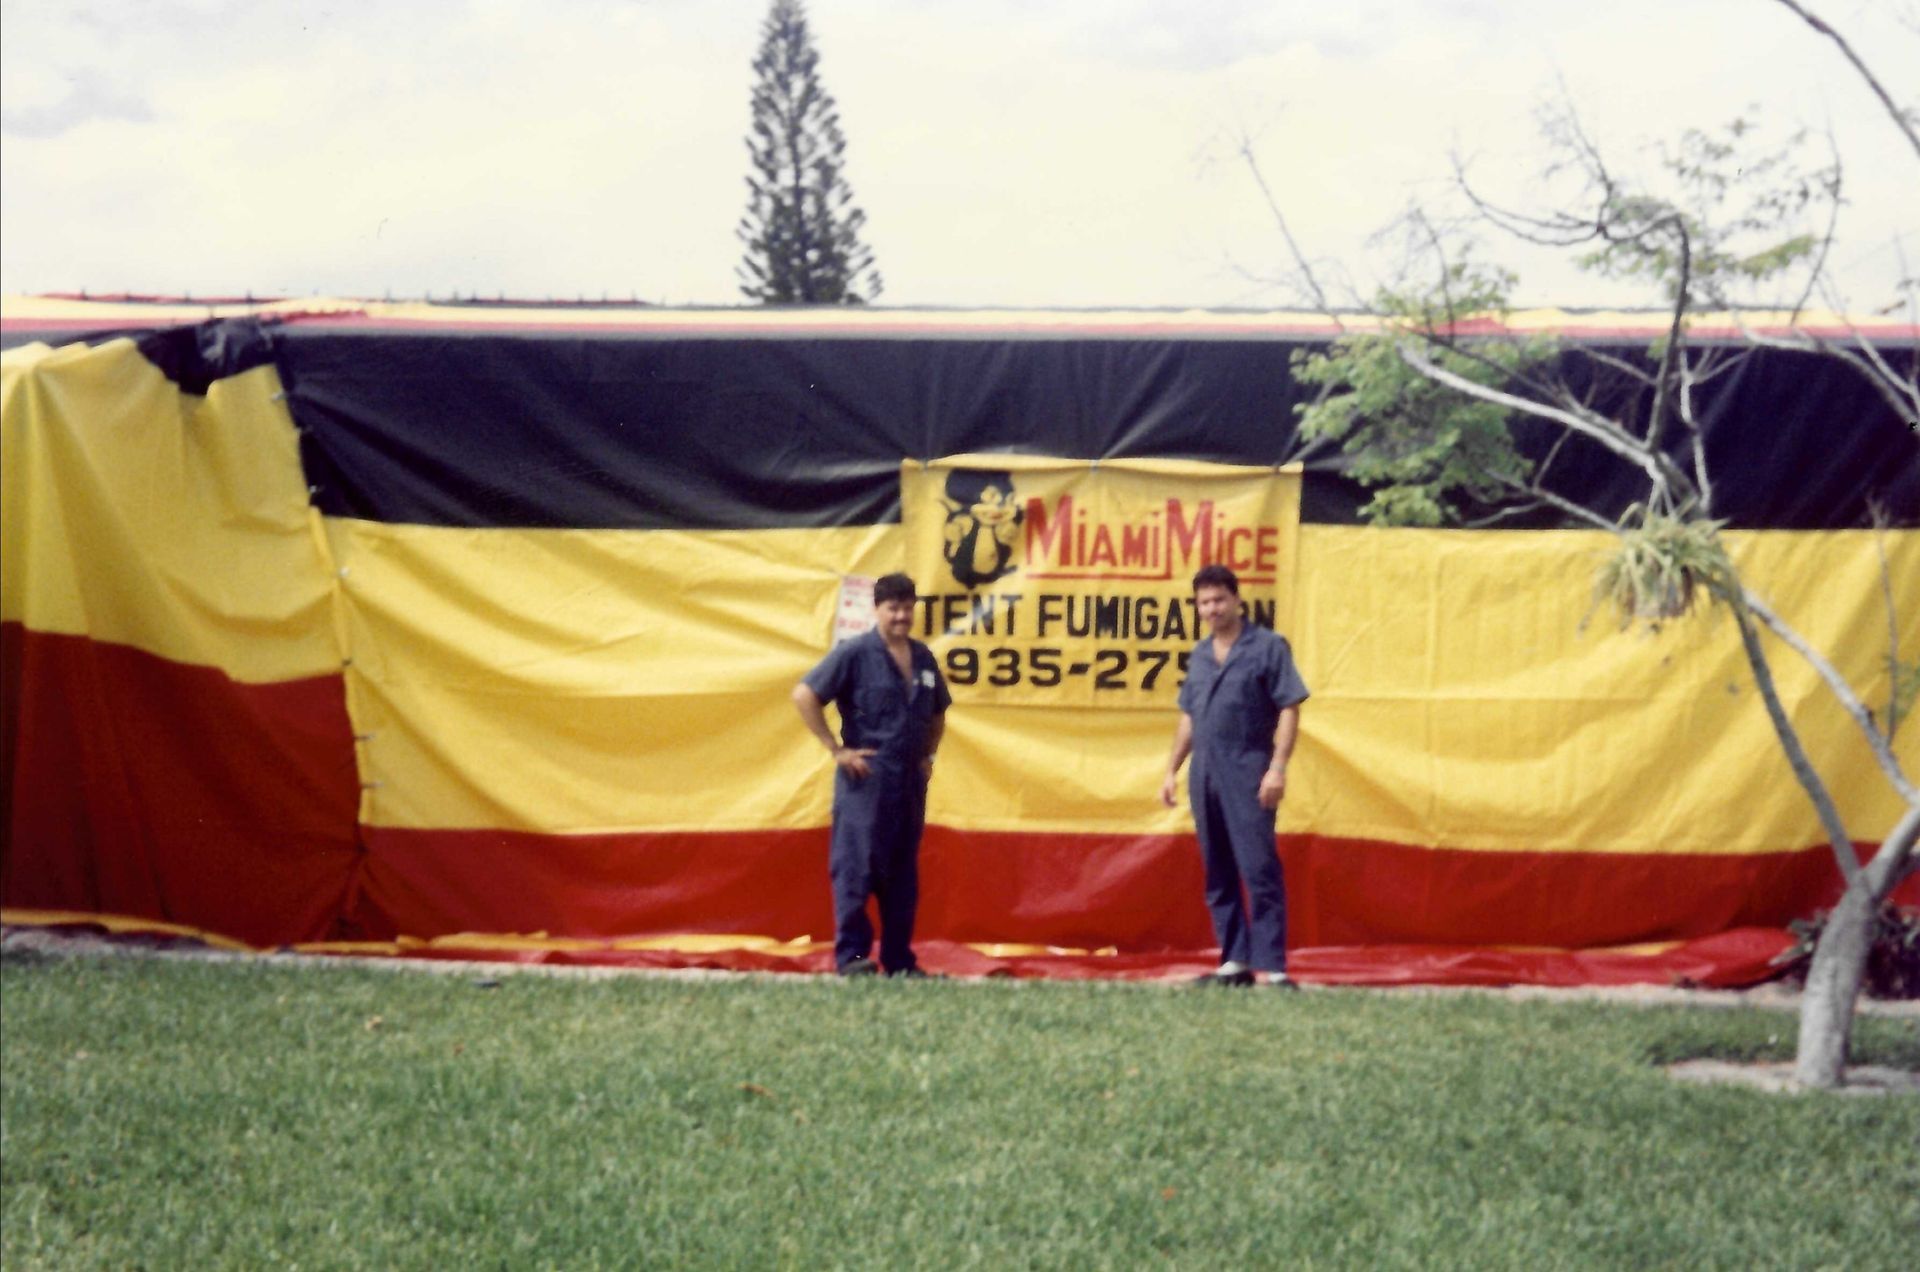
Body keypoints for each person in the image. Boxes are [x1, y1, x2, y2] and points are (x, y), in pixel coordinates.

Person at [793, 573, 951, 977]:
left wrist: (928, 756)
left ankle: (899, 961)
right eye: (893, 608)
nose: (901, 616)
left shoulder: (923, 658)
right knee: (856, 868)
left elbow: (937, 712)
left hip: (908, 782)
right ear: (877, 609)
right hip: (867, 779)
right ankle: (854, 959)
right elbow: (805, 694)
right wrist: (836, 749)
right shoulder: (855, 653)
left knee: (901, 874)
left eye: (907, 608)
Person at [1160, 564, 1310, 989]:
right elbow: (1189, 716)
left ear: (1237, 600)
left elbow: (1290, 707)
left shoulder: (1268, 647)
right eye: (1204, 602)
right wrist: (1171, 770)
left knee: (1259, 866)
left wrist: (1277, 768)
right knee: (1218, 868)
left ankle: (1275, 968)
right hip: (1204, 772)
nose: (1212, 609)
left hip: (1249, 769)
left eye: (1219, 599)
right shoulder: (1200, 655)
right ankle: (1235, 962)